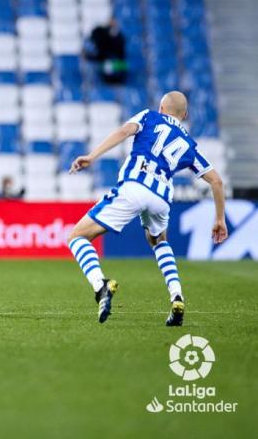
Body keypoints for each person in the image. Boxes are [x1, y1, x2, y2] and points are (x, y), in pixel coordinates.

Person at [67, 91, 227, 326]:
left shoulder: (149, 116)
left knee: (77, 237)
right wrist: (220, 219)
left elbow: (124, 132)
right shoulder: (189, 144)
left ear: (162, 107)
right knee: (159, 241)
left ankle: (101, 286)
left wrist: (92, 156)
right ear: (185, 115)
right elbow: (217, 181)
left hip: (135, 186)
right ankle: (177, 297)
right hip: (162, 197)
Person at [84, 18, 128, 84]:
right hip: (106, 64)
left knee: (118, 66)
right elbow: (100, 54)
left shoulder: (120, 37)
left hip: (116, 64)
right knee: (108, 65)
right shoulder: (101, 34)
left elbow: (121, 54)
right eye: (111, 24)